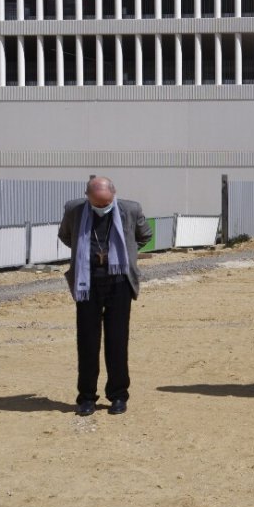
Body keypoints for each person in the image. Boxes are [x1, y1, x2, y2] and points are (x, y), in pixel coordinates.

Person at [58, 176, 153, 416]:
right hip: (86, 283)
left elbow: (144, 235)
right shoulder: (74, 209)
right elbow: (66, 236)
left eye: (106, 203)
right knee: (87, 342)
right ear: (88, 197)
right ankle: (87, 397)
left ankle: (118, 396)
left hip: (119, 283)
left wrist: (124, 253)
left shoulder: (130, 209)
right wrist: (85, 252)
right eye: (97, 204)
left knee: (117, 341)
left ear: (114, 195)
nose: (102, 208)